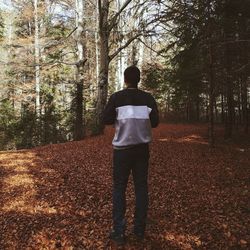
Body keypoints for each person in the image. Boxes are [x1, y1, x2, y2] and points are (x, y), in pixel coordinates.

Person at [103, 65, 159, 245]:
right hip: (142, 150)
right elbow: (156, 123)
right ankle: (139, 230)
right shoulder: (148, 99)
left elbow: (105, 119)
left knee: (119, 188)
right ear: (139, 79)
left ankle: (119, 232)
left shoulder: (116, 98)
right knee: (141, 188)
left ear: (125, 80)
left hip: (122, 151)